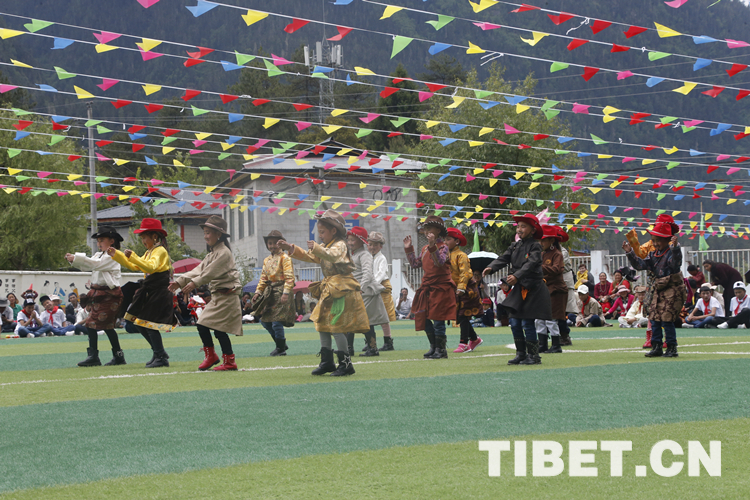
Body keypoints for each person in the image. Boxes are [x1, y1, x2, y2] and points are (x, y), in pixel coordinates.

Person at [277, 210, 369, 376]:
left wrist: (316, 247)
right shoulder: (326, 246)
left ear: (333, 231)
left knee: (336, 326)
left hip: (341, 289)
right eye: (319, 232)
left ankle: (346, 364)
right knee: (322, 324)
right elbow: (310, 256)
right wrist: (290, 248)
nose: (319, 235)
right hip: (330, 289)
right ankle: (327, 362)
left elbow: (332, 256)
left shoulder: (340, 245)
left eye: (322, 232)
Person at [170, 216, 242, 371]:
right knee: (205, 325)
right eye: (205, 232)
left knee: (215, 328)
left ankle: (226, 361)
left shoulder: (223, 253)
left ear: (219, 234)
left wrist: (194, 283)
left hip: (227, 296)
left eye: (208, 232)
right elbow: (199, 270)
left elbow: (209, 272)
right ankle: (216, 357)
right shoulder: (212, 253)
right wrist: (179, 282)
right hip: (219, 297)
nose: (205, 236)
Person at [483, 213, 553, 365]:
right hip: (519, 288)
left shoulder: (536, 246)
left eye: (523, 226)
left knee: (527, 322)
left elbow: (531, 264)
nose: (519, 229)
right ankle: (521, 354)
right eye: (518, 226)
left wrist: (517, 276)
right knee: (514, 322)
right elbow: (503, 258)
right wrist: (491, 267)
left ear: (533, 230)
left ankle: (534, 356)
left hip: (533, 288)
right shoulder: (515, 245)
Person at [109, 218, 174, 368]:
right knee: (138, 322)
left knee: (147, 324)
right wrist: (117, 255)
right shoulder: (150, 251)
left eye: (145, 237)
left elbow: (150, 267)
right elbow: (134, 266)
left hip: (158, 292)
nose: (143, 241)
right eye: (142, 238)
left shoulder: (160, 251)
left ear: (155, 237)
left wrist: (133, 256)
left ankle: (160, 356)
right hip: (151, 291)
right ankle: (159, 353)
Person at [623, 220, 686, 358]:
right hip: (658, 288)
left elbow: (675, 264)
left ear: (667, 240)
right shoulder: (653, 254)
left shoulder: (671, 253)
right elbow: (640, 265)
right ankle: (656, 346)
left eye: (659, 240)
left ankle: (672, 347)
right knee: (654, 317)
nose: (656, 243)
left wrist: (676, 248)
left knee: (667, 319)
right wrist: (630, 253)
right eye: (654, 240)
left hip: (672, 289)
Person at [66, 226, 127, 366]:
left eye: (102, 240)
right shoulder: (99, 255)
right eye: (98, 241)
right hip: (99, 294)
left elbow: (96, 265)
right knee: (104, 326)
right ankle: (116, 356)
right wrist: (73, 260)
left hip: (110, 294)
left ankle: (96, 356)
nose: (99, 243)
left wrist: (76, 258)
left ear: (112, 241)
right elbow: (87, 266)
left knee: (94, 324)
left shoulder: (114, 255)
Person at [404, 215, 457, 359]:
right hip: (427, 287)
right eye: (425, 229)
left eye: (429, 228)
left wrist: (433, 245)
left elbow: (439, 262)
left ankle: (441, 349)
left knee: (438, 319)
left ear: (438, 231)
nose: (426, 231)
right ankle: (433, 346)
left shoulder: (444, 247)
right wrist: (408, 249)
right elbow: (415, 264)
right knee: (423, 316)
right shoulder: (425, 248)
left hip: (440, 288)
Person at [346, 226, 389, 357]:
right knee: (351, 320)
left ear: (361, 241)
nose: (350, 242)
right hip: (355, 292)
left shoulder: (364, 255)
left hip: (365, 293)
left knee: (366, 322)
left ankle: (372, 348)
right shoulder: (353, 254)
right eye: (349, 240)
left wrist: (361, 288)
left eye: (353, 240)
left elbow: (367, 274)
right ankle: (349, 349)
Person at [252, 230, 296, 357]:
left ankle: (280, 348)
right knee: (265, 321)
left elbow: (289, 277)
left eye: (275, 243)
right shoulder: (266, 260)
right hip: (270, 293)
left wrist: (286, 293)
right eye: (269, 243)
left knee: (277, 321)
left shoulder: (285, 258)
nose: (272, 246)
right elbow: (263, 278)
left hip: (282, 291)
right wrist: (258, 292)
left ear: (281, 244)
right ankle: (281, 343)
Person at [446, 228, 482, 354]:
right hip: (456, 289)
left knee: (463, 315)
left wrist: (461, 287)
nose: (445, 242)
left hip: (466, 288)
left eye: (448, 239)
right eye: (445, 239)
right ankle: (475, 339)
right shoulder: (446, 255)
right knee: (460, 316)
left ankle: (464, 343)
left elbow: (465, 273)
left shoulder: (461, 255)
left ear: (457, 241)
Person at [537, 225, 567, 353]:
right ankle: (542, 344)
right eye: (540, 240)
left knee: (551, 318)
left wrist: (539, 267)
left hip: (556, 290)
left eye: (544, 240)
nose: (541, 242)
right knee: (539, 319)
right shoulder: (541, 254)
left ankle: (556, 344)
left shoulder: (557, 254)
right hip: (543, 290)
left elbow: (556, 270)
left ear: (552, 240)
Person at [367, 231, 397, 351]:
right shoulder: (367, 258)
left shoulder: (381, 258)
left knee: (383, 316)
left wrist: (372, 284)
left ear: (381, 246)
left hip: (381, 287)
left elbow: (380, 273)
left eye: (375, 245)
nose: (372, 247)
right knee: (369, 315)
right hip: (370, 287)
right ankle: (370, 341)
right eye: (370, 244)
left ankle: (388, 341)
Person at [555, 226, 576, 346]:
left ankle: (564, 336)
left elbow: (558, 267)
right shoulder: (546, 252)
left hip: (563, 284)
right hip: (552, 283)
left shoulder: (562, 252)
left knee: (561, 313)